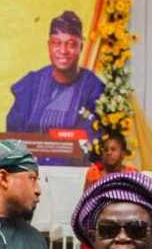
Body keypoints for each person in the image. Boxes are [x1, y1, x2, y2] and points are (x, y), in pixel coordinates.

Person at [6, 11, 104, 148]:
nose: (63, 50)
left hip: (76, 167)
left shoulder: (93, 87)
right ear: (49, 46)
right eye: (57, 43)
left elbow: (93, 137)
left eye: (71, 44)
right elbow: (13, 134)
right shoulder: (31, 84)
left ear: (81, 46)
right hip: (31, 165)